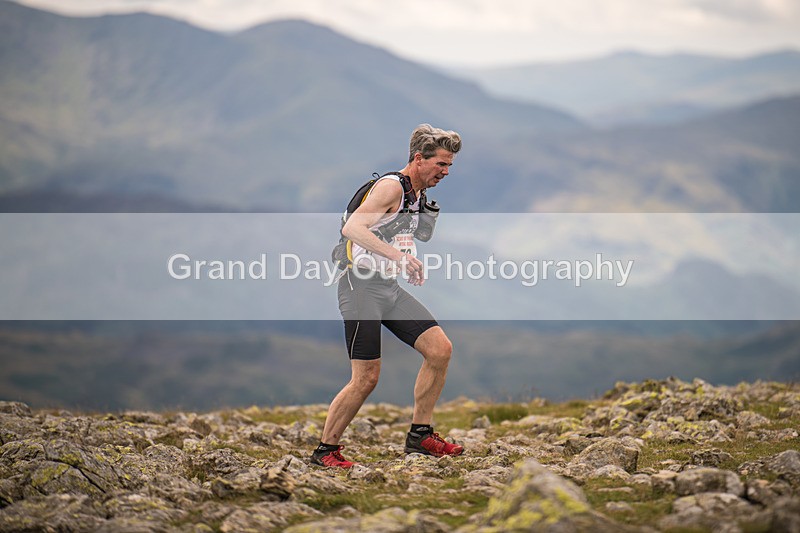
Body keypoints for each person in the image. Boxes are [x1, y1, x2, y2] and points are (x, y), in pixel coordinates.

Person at [310, 124, 464, 468]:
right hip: (359, 287)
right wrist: (399, 257)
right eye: (441, 164)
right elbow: (352, 228)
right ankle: (325, 452)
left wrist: (405, 256)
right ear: (418, 159)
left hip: (388, 288)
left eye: (450, 165)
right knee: (365, 377)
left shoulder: (418, 193)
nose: (446, 172)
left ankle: (420, 436)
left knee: (439, 349)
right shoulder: (391, 186)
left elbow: (400, 235)